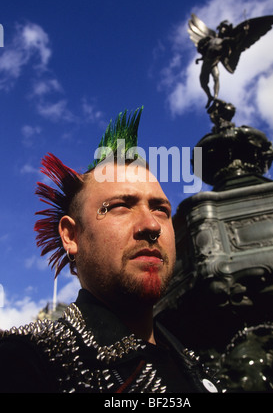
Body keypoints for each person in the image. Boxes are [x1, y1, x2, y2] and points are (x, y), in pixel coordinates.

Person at [0, 109, 220, 393]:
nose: (152, 225)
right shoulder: (26, 361)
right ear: (71, 235)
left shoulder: (198, 366)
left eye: (161, 209)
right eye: (120, 206)